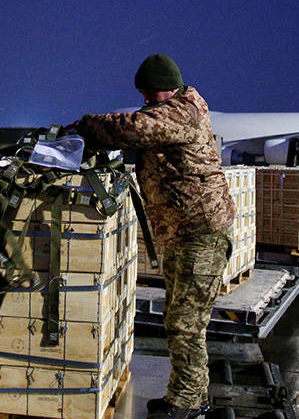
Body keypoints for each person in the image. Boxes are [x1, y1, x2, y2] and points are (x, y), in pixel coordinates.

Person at [66, 54, 234, 419]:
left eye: (150, 94)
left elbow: (136, 129)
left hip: (200, 235)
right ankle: (191, 395)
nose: (146, 101)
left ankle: (188, 404)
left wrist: (87, 124)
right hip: (185, 232)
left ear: (167, 88)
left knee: (185, 323)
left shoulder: (183, 112)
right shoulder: (173, 108)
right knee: (182, 318)